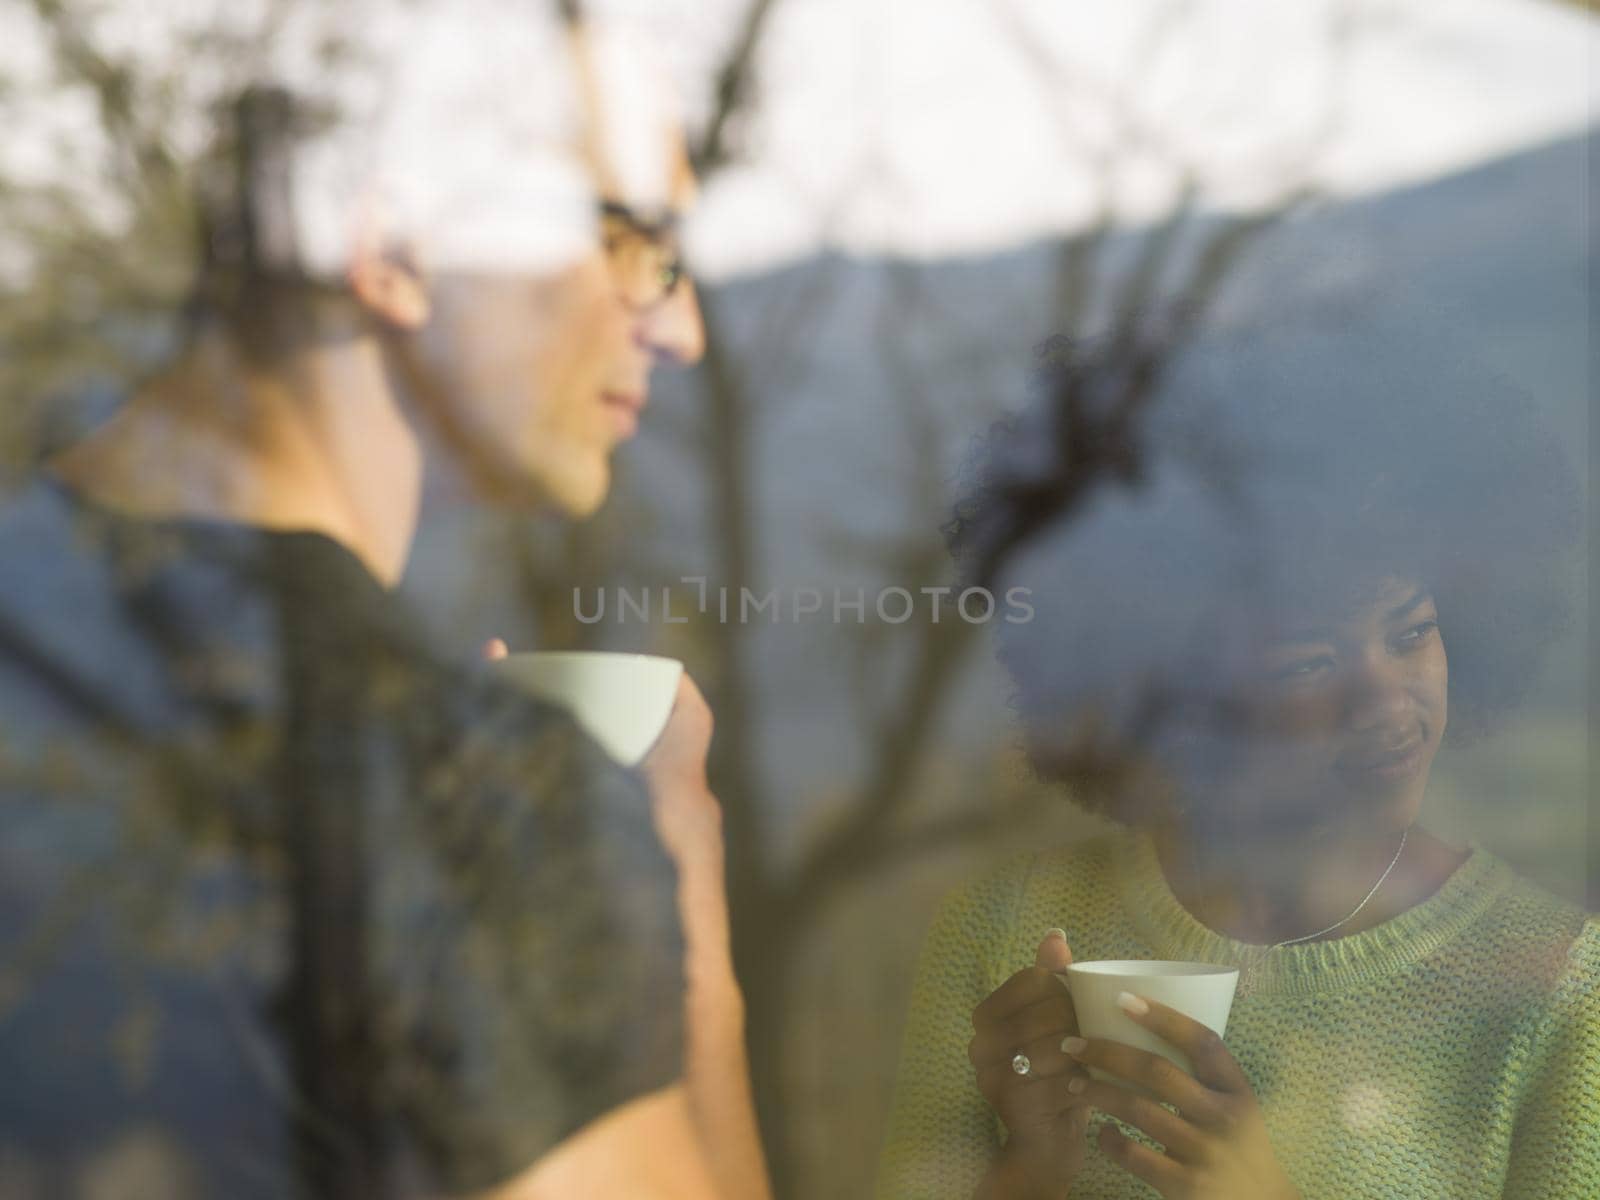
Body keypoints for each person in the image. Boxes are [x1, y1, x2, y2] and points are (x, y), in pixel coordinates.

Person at [0, 4, 769, 1198]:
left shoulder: (60, 637)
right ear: (399, 245)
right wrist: (675, 869)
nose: (680, 328)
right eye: (639, 241)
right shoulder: (450, 800)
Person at [874, 324, 1597, 1199]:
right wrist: (1029, 1164)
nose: (1385, 700)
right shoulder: (1004, 937)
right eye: (1309, 661)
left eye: (1412, 634)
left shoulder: (1556, 987)